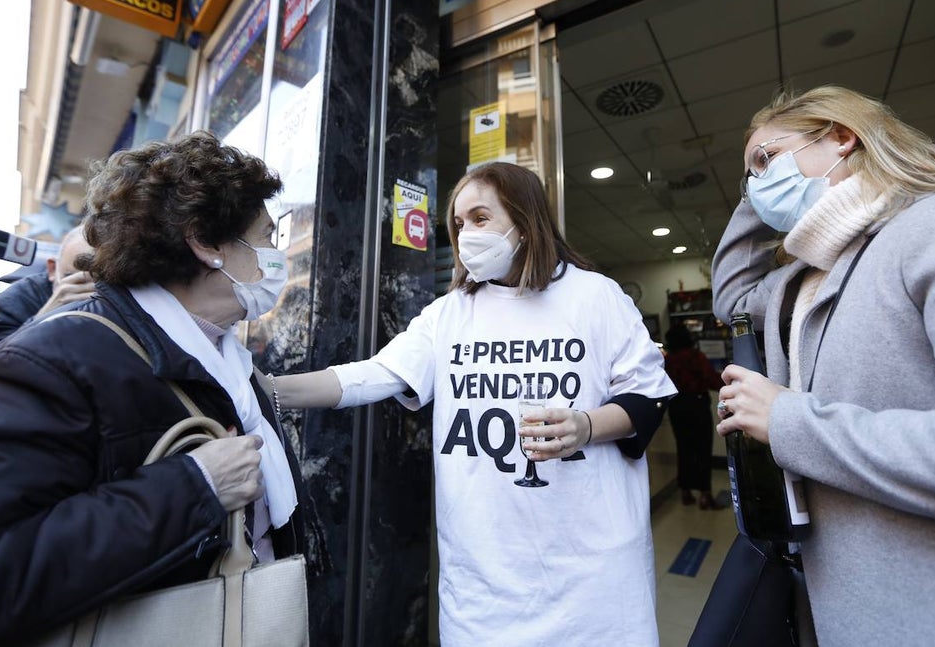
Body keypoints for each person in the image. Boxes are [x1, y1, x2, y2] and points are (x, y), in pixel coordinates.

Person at [0, 133, 306, 645]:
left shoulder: (224, 358)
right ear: (206, 243)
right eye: (266, 236)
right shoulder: (60, 361)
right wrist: (191, 488)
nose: (276, 256)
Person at [273, 161, 676, 646]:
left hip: (591, 579)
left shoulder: (597, 297)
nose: (466, 236)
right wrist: (268, 389)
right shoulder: (449, 314)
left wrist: (584, 426)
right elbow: (373, 375)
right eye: (459, 225)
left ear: (525, 222)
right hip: (484, 585)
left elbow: (647, 398)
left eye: (481, 218)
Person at [712, 85, 935, 646]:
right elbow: (730, 298)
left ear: (842, 137)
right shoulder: (795, 284)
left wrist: (790, 422)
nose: (756, 184)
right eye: (749, 176)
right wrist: (760, 184)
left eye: (766, 161)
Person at [0, 224, 95, 352]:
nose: (89, 290)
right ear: (53, 269)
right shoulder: (20, 299)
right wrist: (44, 319)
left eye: (101, 283)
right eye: (76, 279)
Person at [663, 321, 725, 510]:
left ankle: (685, 492)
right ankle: (705, 495)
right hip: (697, 405)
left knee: (684, 448)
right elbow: (710, 379)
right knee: (703, 449)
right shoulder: (696, 356)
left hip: (676, 406)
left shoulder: (668, 360)